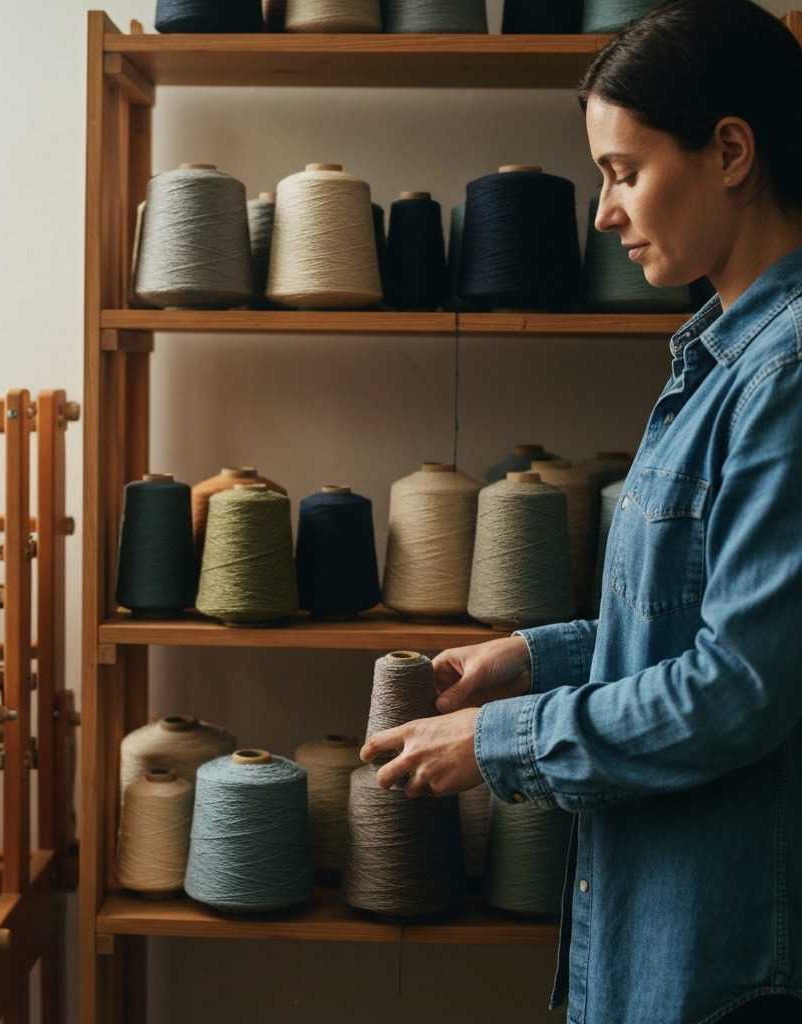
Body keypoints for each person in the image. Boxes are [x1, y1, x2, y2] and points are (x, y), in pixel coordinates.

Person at [360, 2, 802, 1022]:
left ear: (729, 150)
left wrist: (496, 741)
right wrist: (534, 653)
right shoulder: (720, 357)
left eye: (622, 170)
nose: (603, 212)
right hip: (659, 937)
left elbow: (740, 685)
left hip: (720, 966)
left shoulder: (782, 375)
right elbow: (696, 617)